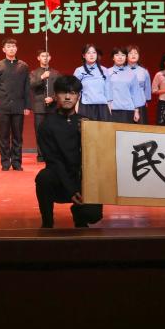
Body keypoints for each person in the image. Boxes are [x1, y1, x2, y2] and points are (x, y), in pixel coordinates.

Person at [35, 75, 103, 228]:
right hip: (59, 180)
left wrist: (86, 134)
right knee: (43, 177)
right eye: (63, 92)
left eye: (72, 93)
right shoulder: (46, 125)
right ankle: (47, 223)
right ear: (55, 95)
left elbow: (97, 156)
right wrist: (71, 190)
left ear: (78, 96)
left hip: (82, 179)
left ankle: (79, 215)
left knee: (93, 215)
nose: (67, 97)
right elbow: (53, 161)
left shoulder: (86, 123)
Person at [0, 38, 32, 171]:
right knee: (3, 136)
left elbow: (27, 87)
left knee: (17, 136)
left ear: (16, 48)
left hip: (19, 105)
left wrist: (27, 106)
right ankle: (5, 163)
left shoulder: (23, 66)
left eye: (13, 46)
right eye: (8, 46)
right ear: (4, 49)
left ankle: (16, 162)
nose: (11, 48)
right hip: (3, 105)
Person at [30, 49, 61, 163]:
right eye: (43, 56)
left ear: (50, 58)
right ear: (38, 58)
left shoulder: (56, 73)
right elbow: (31, 85)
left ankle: (52, 154)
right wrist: (42, 77)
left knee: (53, 132)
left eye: (47, 56)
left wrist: (53, 98)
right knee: (40, 132)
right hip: (39, 107)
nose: (45, 58)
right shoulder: (34, 73)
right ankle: (41, 155)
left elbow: (60, 90)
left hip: (52, 107)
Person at [74, 44, 110, 121]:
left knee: (103, 128)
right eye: (88, 53)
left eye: (94, 52)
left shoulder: (104, 70)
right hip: (85, 106)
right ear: (84, 56)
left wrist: (109, 108)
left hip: (102, 107)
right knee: (86, 128)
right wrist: (76, 107)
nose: (91, 55)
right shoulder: (79, 70)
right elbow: (75, 90)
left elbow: (108, 90)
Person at [106, 47, 140, 124]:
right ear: (113, 58)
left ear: (126, 57)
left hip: (128, 110)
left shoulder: (132, 73)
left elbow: (135, 93)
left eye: (123, 55)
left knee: (126, 131)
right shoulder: (107, 72)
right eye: (117, 55)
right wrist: (107, 107)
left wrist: (136, 110)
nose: (120, 57)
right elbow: (105, 92)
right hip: (112, 109)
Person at [126, 45, 152, 125]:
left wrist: (146, 100)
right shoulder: (122, 70)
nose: (133, 55)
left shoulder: (144, 71)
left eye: (136, 53)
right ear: (126, 56)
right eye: (131, 53)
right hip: (125, 104)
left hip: (140, 104)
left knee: (140, 128)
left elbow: (147, 88)